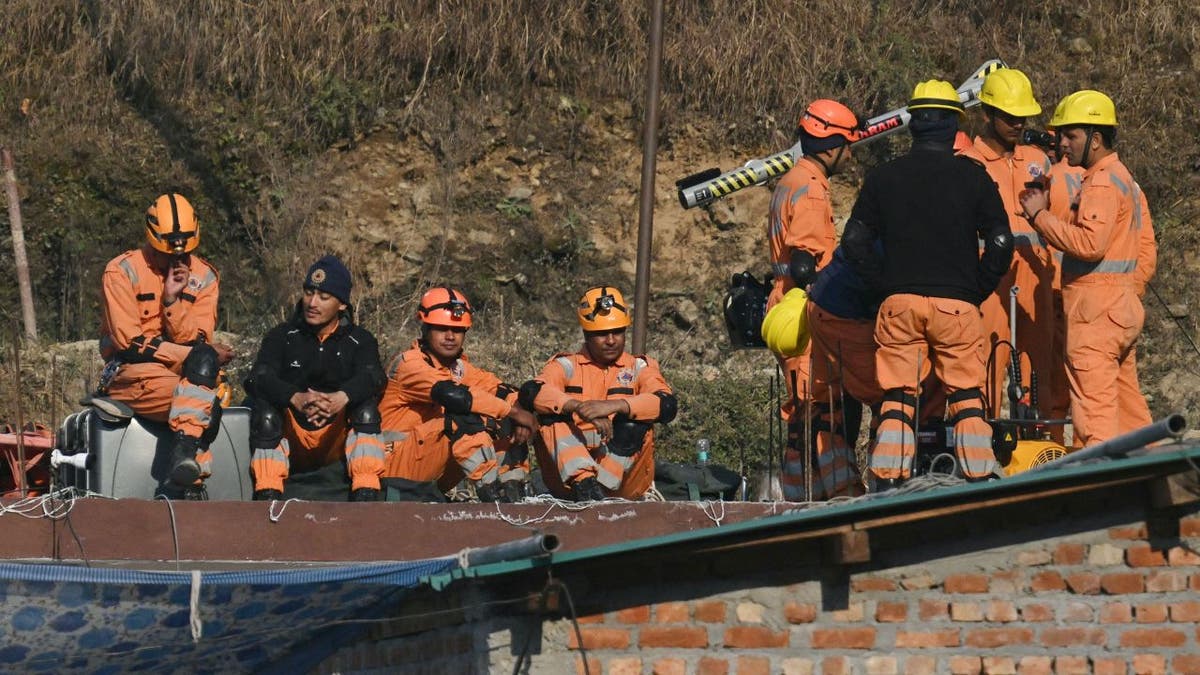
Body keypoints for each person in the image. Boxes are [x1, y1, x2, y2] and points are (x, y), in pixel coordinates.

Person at [843, 79, 1013, 487]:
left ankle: (888, 480)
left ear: (913, 125)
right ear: (954, 124)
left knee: (898, 399)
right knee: (967, 397)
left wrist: (881, 286)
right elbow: (1002, 241)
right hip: (957, 307)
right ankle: (978, 476)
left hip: (898, 305)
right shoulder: (973, 177)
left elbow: (853, 241)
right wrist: (977, 288)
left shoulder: (884, 177)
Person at [1019, 90, 1153, 446]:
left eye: (1071, 135)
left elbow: (1090, 244)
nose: (1062, 143)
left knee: (1095, 420)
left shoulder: (1103, 182)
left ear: (1095, 139)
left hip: (1096, 314)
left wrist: (1039, 216)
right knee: (1130, 413)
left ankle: (1104, 494)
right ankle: (1156, 479)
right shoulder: (1121, 177)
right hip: (1118, 307)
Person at [98, 193, 234, 496]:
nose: (177, 258)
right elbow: (128, 341)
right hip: (134, 373)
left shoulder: (205, 276)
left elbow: (198, 338)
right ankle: (191, 479)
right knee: (204, 404)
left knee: (203, 388)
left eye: (185, 251)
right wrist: (196, 354)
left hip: (187, 372)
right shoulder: (122, 271)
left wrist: (172, 301)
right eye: (165, 252)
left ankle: (184, 468)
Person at [765, 100, 860, 501]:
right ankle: (842, 495)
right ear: (832, 145)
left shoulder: (790, 180)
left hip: (786, 305)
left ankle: (800, 495)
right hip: (804, 311)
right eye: (848, 146)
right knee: (824, 410)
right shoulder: (812, 193)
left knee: (802, 414)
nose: (851, 154)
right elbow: (805, 263)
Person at [244, 255, 387, 501]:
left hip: (335, 436)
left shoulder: (360, 339)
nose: (312, 302)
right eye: (309, 293)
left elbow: (374, 376)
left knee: (366, 409)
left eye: (323, 297)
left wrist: (341, 398)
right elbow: (257, 377)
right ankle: (267, 494)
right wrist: (295, 397)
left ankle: (366, 493)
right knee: (266, 412)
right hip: (293, 434)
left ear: (342, 304)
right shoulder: (283, 335)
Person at [378, 287, 538, 502]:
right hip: (393, 468)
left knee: (500, 419)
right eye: (442, 328)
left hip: (428, 467)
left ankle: (514, 492)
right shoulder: (409, 364)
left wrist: (520, 413)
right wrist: (513, 411)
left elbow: (503, 390)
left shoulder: (458, 368)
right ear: (425, 328)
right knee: (463, 416)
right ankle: (493, 495)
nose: (450, 336)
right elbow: (454, 395)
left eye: (458, 330)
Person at [958, 68, 1054, 421]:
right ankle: (985, 447)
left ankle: (1045, 450)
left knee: (1039, 368)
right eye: (1009, 117)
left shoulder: (1038, 161)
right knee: (985, 363)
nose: (1018, 123)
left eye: (1022, 117)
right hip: (988, 279)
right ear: (987, 114)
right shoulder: (968, 165)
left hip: (1035, 275)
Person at [523, 286, 677, 501]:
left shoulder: (639, 367)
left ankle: (600, 488)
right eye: (602, 334)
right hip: (570, 480)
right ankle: (585, 483)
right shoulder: (566, 365)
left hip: (622, 481)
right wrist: (576, 406)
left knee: (635, 420)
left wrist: (618, 405)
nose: (612, 340)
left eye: (618, 332)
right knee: (551, 416)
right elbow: (532, 392)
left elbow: (667, 405)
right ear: (586, 334)